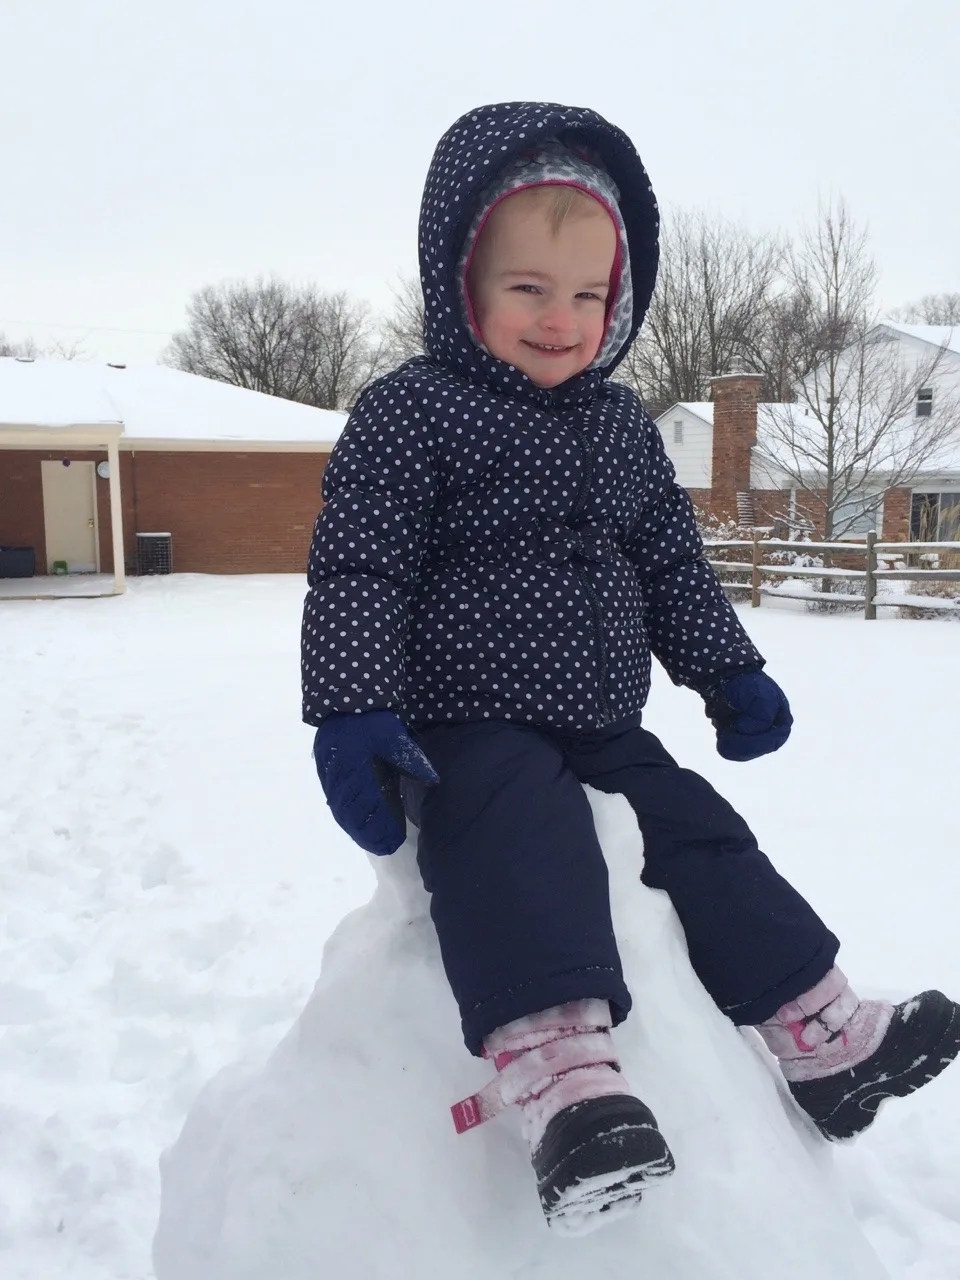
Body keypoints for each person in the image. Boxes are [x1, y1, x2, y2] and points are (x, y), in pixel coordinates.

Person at [301, 101, 960, 1237]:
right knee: (520, 842)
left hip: (602, 720)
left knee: (698, 830)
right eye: (528, 288)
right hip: (465, 723)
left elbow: (669, 561)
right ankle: (563, 1086)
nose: (562, 320)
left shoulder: (619, 424)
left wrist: (726, 670)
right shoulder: (413, 412)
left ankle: (822, 1034)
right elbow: (361, 563)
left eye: (590, 295)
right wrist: (353, 707)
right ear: (459, 285)